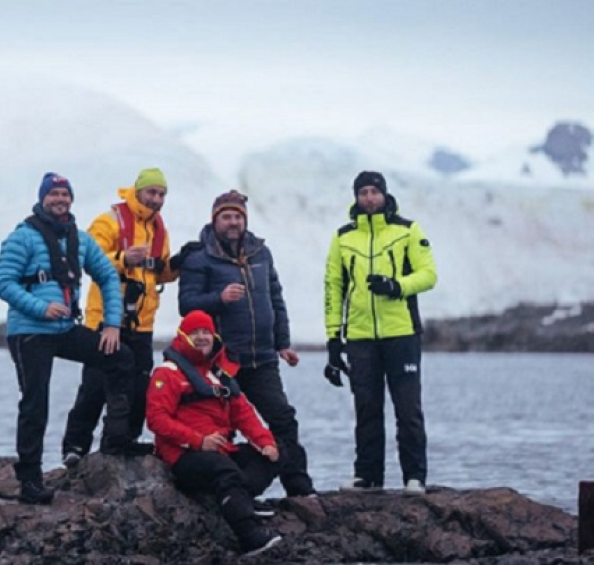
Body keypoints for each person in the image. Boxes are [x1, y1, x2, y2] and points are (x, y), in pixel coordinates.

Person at [0, 172, 135, 505]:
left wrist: (112, 324)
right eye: (54, 195)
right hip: (30, 332)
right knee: (35, 402)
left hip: (65, 329)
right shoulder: (22, 237)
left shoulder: (80, 239)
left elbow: (109, 278)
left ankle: (115, 442)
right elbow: (3, 282)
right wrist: (40, 307)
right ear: (43, 199)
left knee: (120, 357)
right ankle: (30, 480)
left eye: (65, 195)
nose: (60, 200)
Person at [177, 190, 316, 497]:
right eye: (226, 216)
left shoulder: (260, 253)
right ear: (215, 220)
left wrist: (284, 343)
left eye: (238, 216)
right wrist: (219, 298)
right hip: (223, 360)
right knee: (222, 427)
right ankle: (226, 493)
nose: (233, 222)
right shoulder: (200, 258)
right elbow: (186, 305)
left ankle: (298, 486)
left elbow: (275, 298)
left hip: (263, 357)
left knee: (282, 419)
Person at [323, 171, 437, 495]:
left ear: (384, 195)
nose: (369, 198)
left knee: (408, 410)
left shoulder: (407, 230)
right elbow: (333, 288)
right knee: (367, 409)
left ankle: (414, 476)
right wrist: (334, 340)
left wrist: (396, 286)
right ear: (356, 197)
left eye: (374, 192)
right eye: (363, 193)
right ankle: (368, 476)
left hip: (401, 333)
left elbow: (429, 275)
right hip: (360, 337)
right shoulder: (343, 237)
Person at [61, 168, 178, 466]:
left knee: (139, 387)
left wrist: (178, 265)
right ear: (138, 191)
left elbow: (158, 271)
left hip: (142, 322)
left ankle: (123, 441)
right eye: (151, 192)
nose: (156, 199)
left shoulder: (159, 229)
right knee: (96, 384)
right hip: (105, 319)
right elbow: (86, 257)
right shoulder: (110, 220)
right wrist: (123, 259)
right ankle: (75, 446)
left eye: (161, 194)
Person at [146, 310, 283, 557]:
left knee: (270, 457)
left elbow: (243, 413)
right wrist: (198, 441)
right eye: (194, 332)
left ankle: (238, 499)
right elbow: (156, 419)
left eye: (206, 332)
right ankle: (250, 537)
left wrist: (266, 443)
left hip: (219, 450)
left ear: (214, 336)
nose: (201, 337)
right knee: (224, 469)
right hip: (182, 455)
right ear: (183, 337)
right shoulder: (167, 373)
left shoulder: (218, 375)